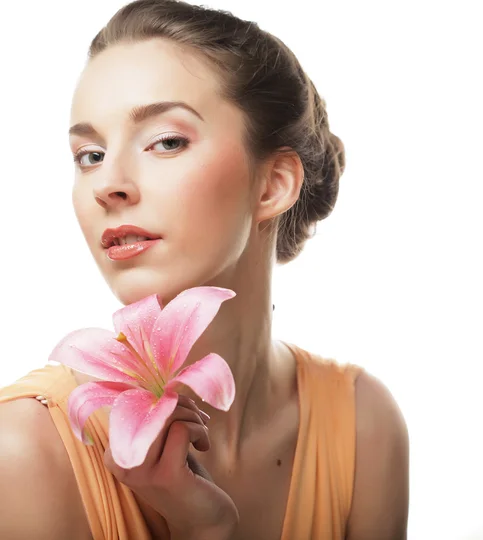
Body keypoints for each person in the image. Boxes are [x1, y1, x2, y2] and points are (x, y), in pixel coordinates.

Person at [0, 0, 409, 538]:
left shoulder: (363, 426)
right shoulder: (22, 451)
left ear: (273, 185)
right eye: (90, 155)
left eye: (166, 142)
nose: (107, 184)